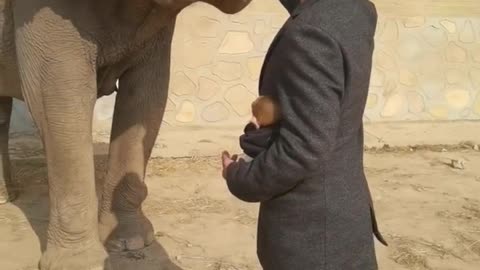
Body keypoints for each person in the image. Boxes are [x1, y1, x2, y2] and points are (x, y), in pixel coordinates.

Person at [221, 0, 388, 269]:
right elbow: (326, 117)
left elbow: (303, 148)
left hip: (312, 233)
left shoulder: (310, 32)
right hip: (344, 215)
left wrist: (240, 177)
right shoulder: (355, 9)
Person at [238, 96, 281, 162]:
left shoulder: (257, 132)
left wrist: (253, 124)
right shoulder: (279, 130)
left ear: (260, 118)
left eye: (254, 114)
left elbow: (246, 139)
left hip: (253, 157)